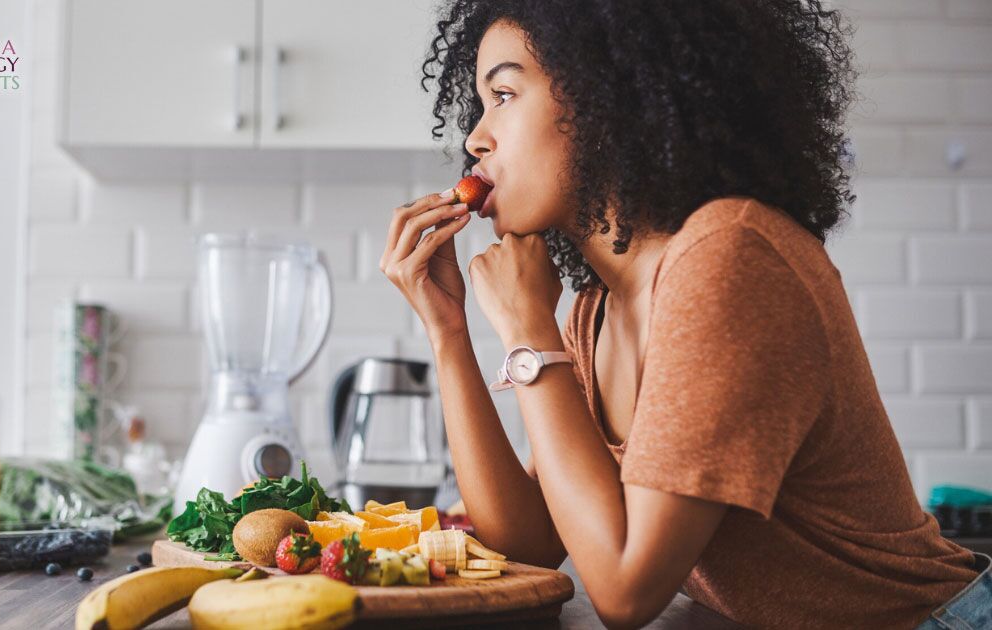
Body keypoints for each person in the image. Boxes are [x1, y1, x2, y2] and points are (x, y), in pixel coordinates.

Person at [378, 2, 989, 628]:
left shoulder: (730, 258)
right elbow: (531, 542)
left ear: (604, 103)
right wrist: (448, 331)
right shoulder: (597, 308)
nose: (476, 137)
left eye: (503, 94)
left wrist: (530, 335)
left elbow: (624, 591)